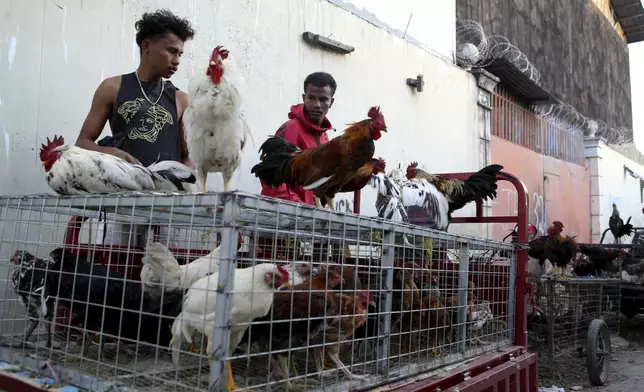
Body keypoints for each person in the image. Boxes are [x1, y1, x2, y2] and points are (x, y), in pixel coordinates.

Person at [75, 10, 195, 246]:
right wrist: (113, 153)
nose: (177, 60)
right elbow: (83, 143)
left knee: (161, 274)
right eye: (171, 51)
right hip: (121, 201)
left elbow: (187, 155)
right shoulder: (112, 87)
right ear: (147, 46)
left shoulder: (181, 99)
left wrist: (183, 183)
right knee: (114, 271)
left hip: (166, 206)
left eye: (180, 53)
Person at [260, 72, 337, 205]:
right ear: (303, 98)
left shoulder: (324, 137)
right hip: (287, 213)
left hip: (309, 216)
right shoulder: (291, 128)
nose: (317, 104)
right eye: (311, 98)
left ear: (331, 102)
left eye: (323, 99)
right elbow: (272, 179)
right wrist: (300, 207)